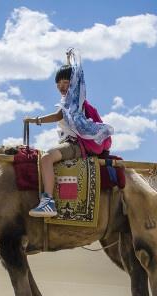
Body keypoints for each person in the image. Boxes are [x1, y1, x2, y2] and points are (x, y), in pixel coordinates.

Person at [25, 49, 113, 217]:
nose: (61, 87)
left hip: (75, 145)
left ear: (73, 83)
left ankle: (48, 201)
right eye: (58, 84)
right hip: (69, 143)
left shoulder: (72, 104)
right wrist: (67, 60)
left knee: (46, 158)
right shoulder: (72, 102)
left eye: (65, 83)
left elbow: (58, 115)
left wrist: (34, 120)